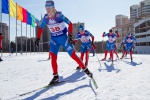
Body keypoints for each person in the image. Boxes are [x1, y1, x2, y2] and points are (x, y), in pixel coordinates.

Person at [35, 0, 93, 85]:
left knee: (73, 55)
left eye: (49, 8)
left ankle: (85, 69)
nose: (48, 10)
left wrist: (69, 36)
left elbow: (70, 24)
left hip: (63, 38)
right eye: (46, 8)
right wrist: (38, 38)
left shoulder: (59, 15)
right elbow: (40, 27)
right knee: (53, 57)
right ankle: (55, 76)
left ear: (53, 8)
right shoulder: (45, 18)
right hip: (54, 40)